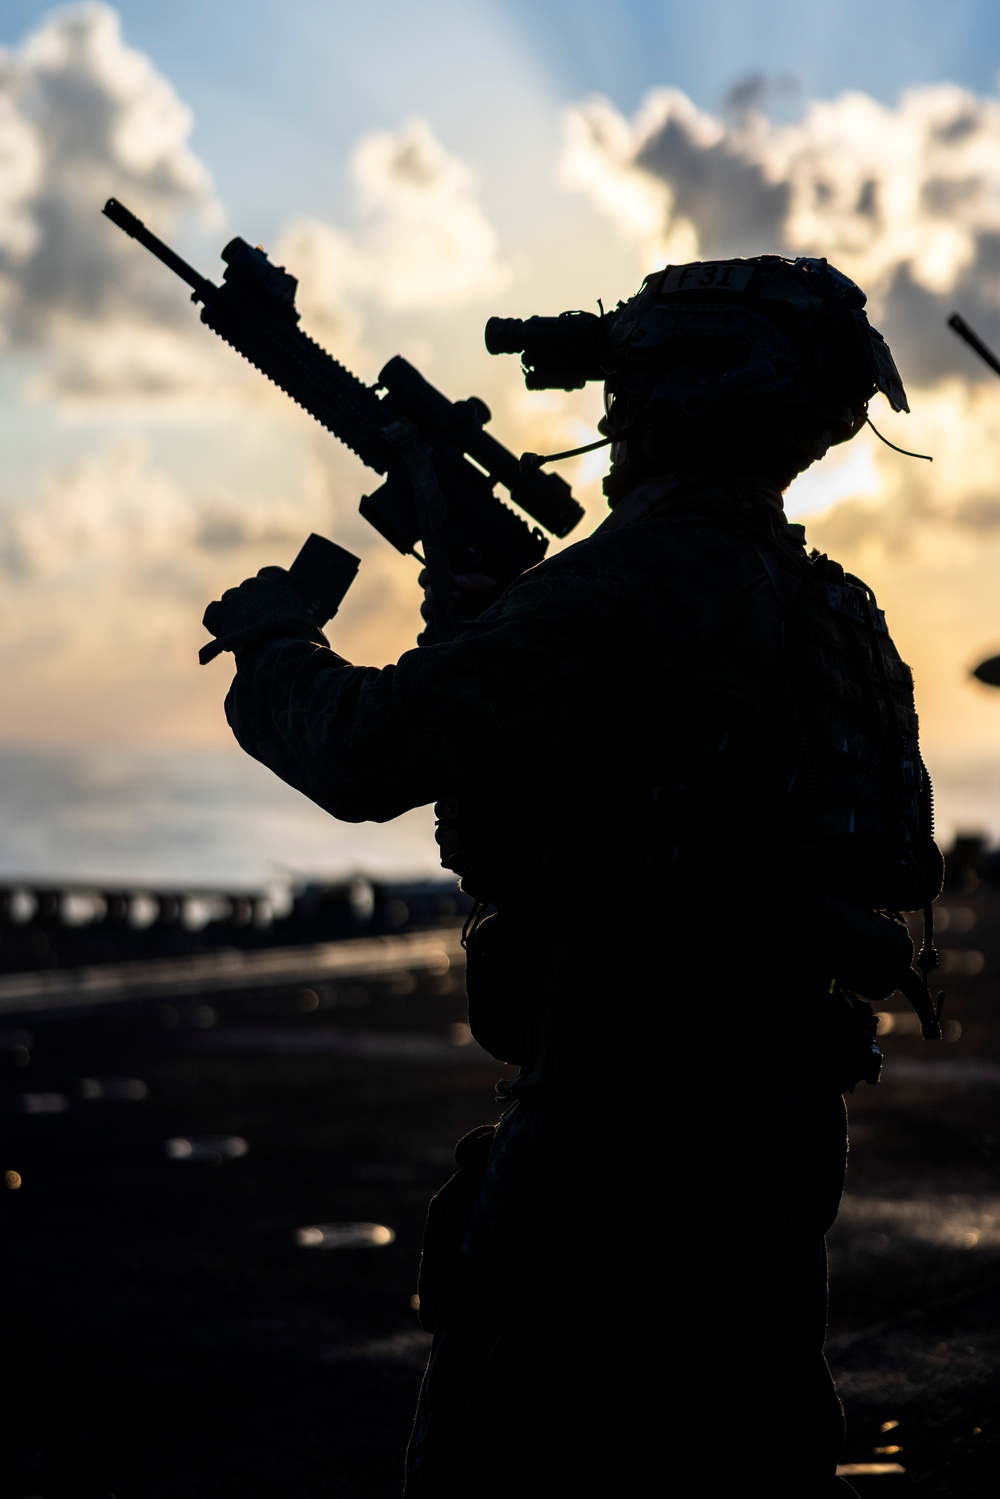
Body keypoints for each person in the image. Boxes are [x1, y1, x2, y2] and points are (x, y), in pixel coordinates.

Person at [202, 256, 942, 1497]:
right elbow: (627, 769)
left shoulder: (657, 575)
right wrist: (475, 601)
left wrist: (276, 646)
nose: (610, 413)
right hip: (772, 1110)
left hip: (631, 1117)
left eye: (630, 381)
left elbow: (371, 748)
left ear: (669, 399)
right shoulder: (813, 597)